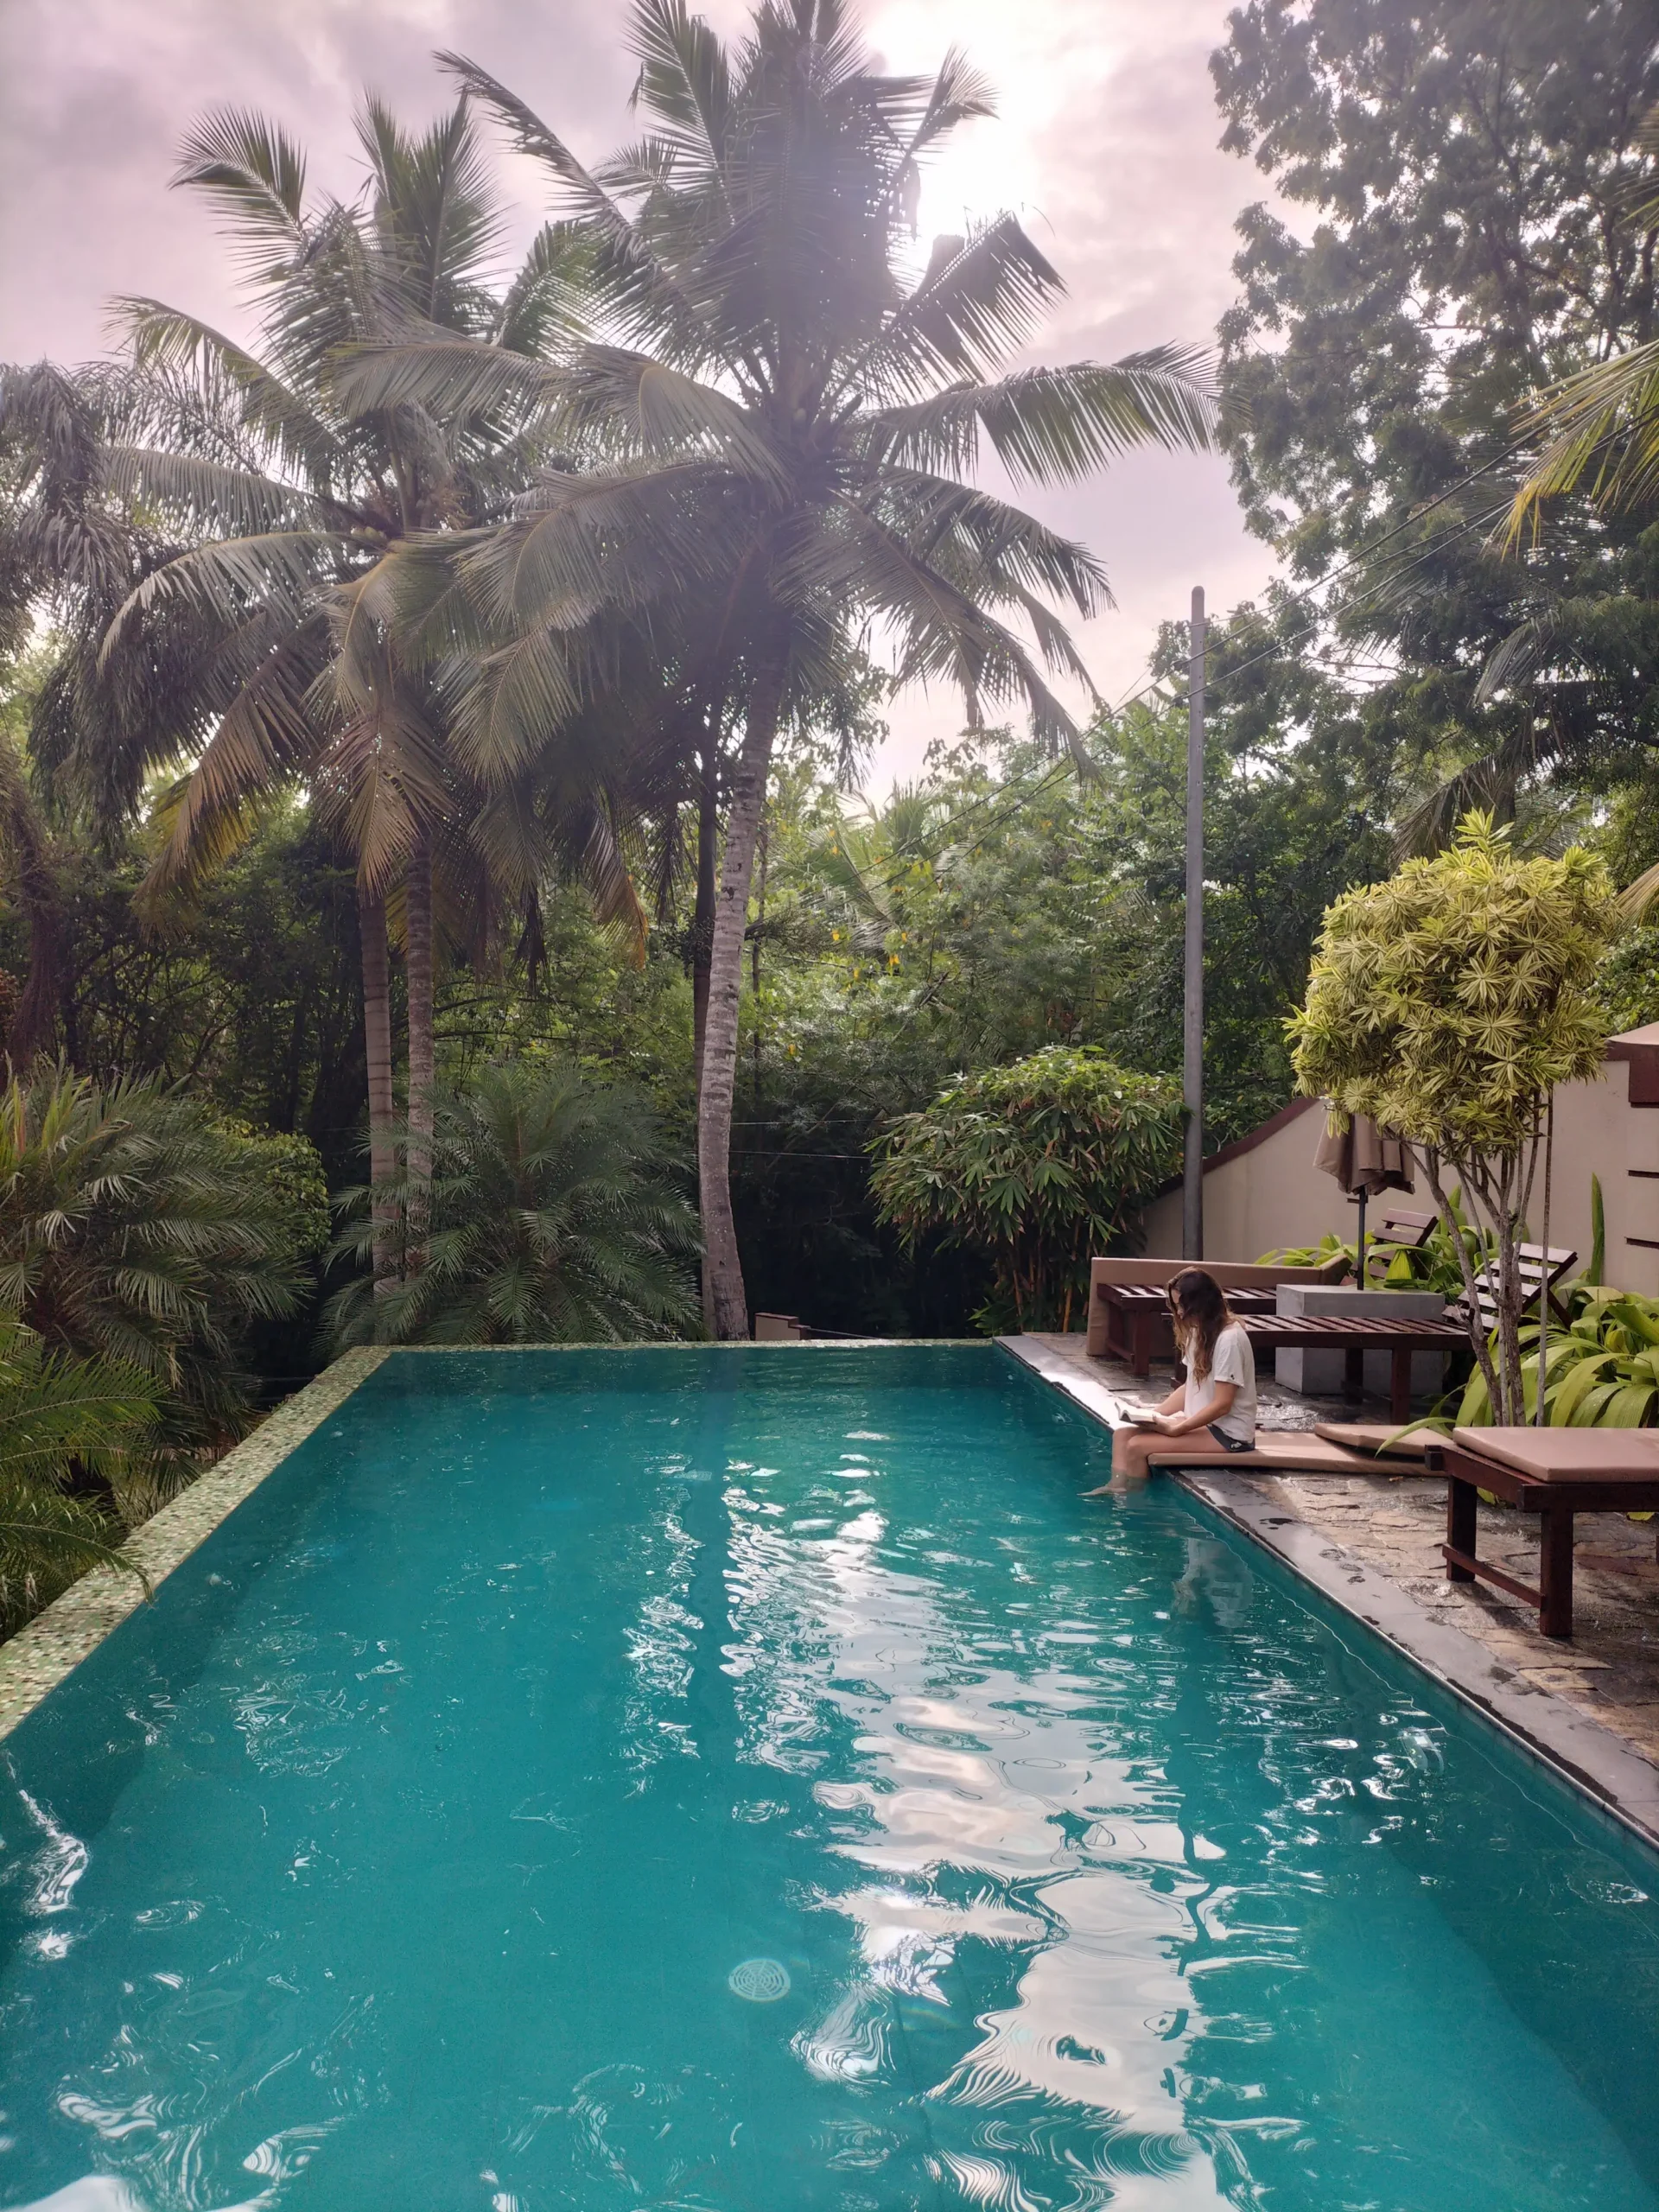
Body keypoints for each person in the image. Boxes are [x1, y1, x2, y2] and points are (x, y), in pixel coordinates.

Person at [1084, 1267, 1257, 1493]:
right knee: (1122, 1434)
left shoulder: (1229, 1340)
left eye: (1184, 1306)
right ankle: (1116, 1487)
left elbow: (1223, 1404)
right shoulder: (1200, 1331)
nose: (1180, 1313)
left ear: (1203, 1304)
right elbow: (1190, 1387)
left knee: (1137, 1446)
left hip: (1229, 1434)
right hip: (1203, 1424)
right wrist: (1154, 1416)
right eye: (1177, 1305)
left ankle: (1135, 1508)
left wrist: (1179, 1429)